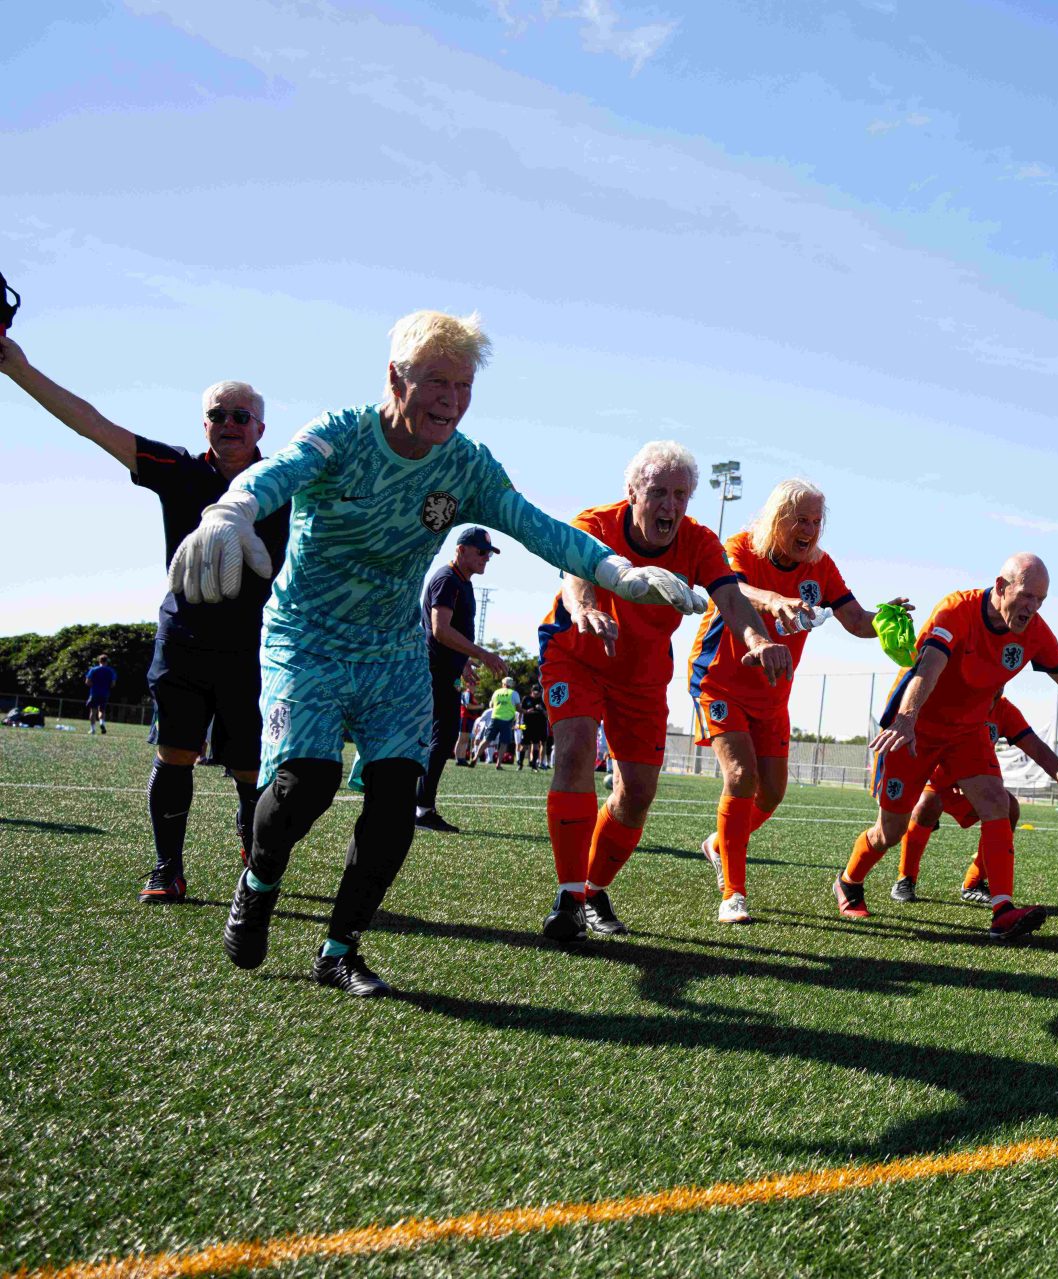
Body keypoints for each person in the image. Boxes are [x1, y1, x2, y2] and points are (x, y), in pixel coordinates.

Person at [173, 309, 699, 997]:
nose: (452, 400)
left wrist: (617, 573)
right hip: (307, 637)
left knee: (397, 800)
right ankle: (259, 880)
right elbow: (274, 476)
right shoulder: (341, 434)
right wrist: (229, 510)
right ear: (397, 378)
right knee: (307, 785)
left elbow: (536, 525)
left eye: (464, 386)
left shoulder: (465, 462)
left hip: (394, 650)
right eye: (437, 383)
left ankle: (339, 949)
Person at [1, 330, 289, 904]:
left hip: (256, 648)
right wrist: (19, 370)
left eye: (241, 415)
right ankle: (167, 868)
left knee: (250, 769)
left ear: (261, 427)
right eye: (218, 415)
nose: (229, 423)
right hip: (183, 637)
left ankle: (252, 847)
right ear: (204, 425)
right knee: (175, 753)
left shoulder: (288, 480)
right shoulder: (179, 469)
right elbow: (93, 424)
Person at [537, 441, 792, 942]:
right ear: (632, 491)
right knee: (574, 751)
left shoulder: (698, 541)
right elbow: (574, 576)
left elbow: (731, 599)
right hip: (577, 654)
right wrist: (586, 608)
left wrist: (759, 639)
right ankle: (568, 900)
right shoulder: (595, 523)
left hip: (642, 675)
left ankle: (592, 891)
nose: (670, 506)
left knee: (636, 795)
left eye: (680, 495)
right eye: (658, 492)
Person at [843, 554, 1058, 941]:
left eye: (1041, 600)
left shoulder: (1036, 633)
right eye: (1026, 596)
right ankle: (849, 882)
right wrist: (907, 718)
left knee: (999, 803)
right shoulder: (956, 611)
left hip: (967, 733)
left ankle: (1002, 911)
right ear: (1000, 586)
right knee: (889, 832)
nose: (1033, 607)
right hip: (916, 730)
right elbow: (928, 668)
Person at [686, 479, 909, 924]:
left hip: (772, 692)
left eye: (816, 521)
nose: (809, 529)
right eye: (801, 519)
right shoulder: (740, 548)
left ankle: (719, 844)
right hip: (720, 681)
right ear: (777, 519)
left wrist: (886, 619)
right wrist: (773, 599)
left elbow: (856, 620)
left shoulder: (819, 567)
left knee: (772, 792)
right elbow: (732, 591)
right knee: (742, 776)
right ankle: (733, 893)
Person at [891, 695, 1058, 904]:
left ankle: (974, 882)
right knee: (926, 804)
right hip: (938, 778)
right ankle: (905, 878)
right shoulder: (954, 697)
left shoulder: (1005, 710)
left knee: (1009, 807)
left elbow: (1036, 747)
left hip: (974, 781)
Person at [415, 527, 508, 831]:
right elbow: (440, 630)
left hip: (447, 671)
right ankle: (421, 809)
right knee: (440, 739)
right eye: (481, 552)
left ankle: (420, 806)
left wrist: (464, 662)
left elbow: (450, 631)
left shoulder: (462, 582)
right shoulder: (448, 579)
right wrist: (482, 654)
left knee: (443, 738)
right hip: (435, 672)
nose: (486, 558)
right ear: (461, 550)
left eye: (489, 554)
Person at [485, 677, 521, 768]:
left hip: (496, 719)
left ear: (503, 684)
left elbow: (491, 705)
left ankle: (476, 757)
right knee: (505, 743)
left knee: (488, 740)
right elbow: (519, 710)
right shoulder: (514, 694)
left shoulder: (496, 692)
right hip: (508, 723)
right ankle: (498, 763)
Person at [83, 655, 116, 734]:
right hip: (105, 693)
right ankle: (101, 723)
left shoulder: (94, 669)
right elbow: (113, 684)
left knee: (93, 711)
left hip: (94, 692)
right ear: (107, 661)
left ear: (99, 661)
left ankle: (92, 729)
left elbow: (87, 682)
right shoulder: (111, 671)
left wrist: (94, 685)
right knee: (102, 710)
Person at [518, 691, 549, 771]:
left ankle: (534, 765)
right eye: (534, 693)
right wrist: (519, 723)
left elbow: (547, 714)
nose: (536, 694)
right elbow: (520, 710)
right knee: (524, 745)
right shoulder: (526, 698)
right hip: (526, 725)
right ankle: (520, 764)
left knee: (536, 744)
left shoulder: (543, 700)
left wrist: (541, 709)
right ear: (531, 692)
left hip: (538, 726)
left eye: (538, 693)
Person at [454, 679, 480, 766]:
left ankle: (462, 758)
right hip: (465, 718)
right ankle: (458, 759)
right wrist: (480, 706)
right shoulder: (467, 693)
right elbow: (468, 706)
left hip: (470, 719)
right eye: (472, 685)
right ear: (468, 685)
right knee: (461, 738)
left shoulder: (472, 695)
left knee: (465, 740)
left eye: (475, 685)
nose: (474, 687)